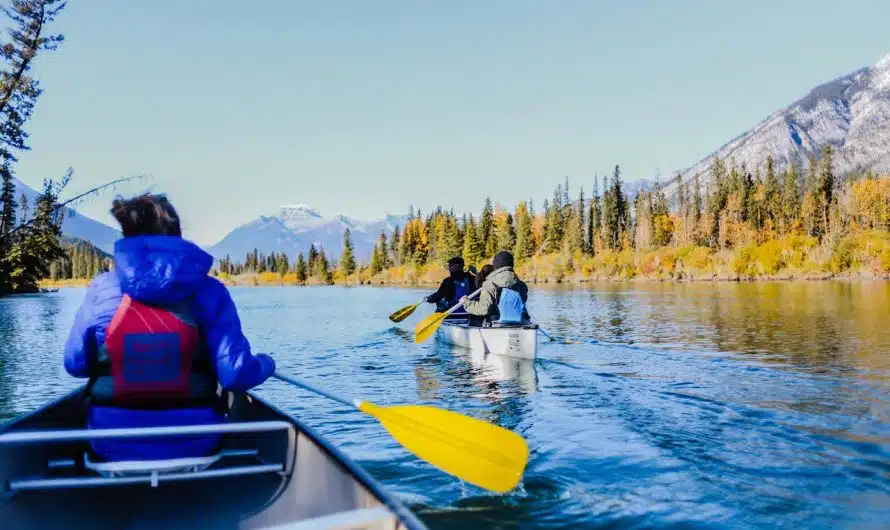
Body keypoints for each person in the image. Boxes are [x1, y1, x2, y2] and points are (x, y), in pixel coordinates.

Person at [63, 193, 276, 462]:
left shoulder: (101, 289)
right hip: (197, 442)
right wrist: (268, 364)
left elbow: (75, 365)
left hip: (111, 442)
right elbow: (235, 375)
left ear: (127, 234)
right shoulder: (211, 291)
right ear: (177, 234)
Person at [460, 251, 530, 324]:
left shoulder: (489, 284)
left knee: (477, 316)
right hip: (521, 323)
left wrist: (466, 303)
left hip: (496, 324)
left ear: (496, 265)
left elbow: (483, 309)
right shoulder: (522, 285)